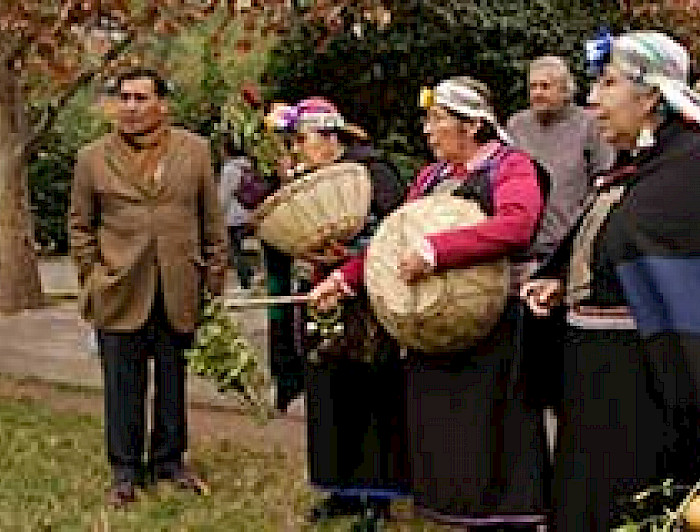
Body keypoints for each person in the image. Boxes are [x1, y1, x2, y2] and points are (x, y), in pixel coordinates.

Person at [312, 77, 548, 528]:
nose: (427, 129)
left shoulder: (511, 167)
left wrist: (438, 251)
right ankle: (452, 510)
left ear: (473, 125)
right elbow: (391, 241)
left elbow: (517, 225)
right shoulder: (430, 177)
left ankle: (505, 518)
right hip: (433, 329)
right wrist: (344, 279)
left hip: (491, 326)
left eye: (437, 118)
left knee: (491, 426)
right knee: (443, 427)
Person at [522, 30, 700, 530]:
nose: (593, 99)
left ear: (650, 96)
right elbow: (609, 245)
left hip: (645, 385)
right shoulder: (633, 169)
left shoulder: (688, 169)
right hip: (593, 372)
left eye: (608, 83)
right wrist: (561, 281)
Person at [69, 68, 227, 508]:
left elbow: (211, 220)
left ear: (164, 104)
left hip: (179, 288)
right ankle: (124, 471)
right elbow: (80, 226)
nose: (131, 107)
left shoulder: (194, 151)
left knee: (173, 381)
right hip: (119, 290)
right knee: (123, 384)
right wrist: (94, 275)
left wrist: (212, 279)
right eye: (124, 98)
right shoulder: (92, 158)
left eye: (141, 98)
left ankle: (170, 462)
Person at [270, 97, 407, 523]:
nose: (297, 149)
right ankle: (338, 487)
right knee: (328, 390)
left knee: (371, 392)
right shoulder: (303, 180)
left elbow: (395, 232)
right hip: (319, 295)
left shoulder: (374, 173)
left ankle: (377, 495)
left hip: (367, 299)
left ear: (330, 136)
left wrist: (349, 261)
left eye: (302, 139)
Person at [508, 55, 614, 262]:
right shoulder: (516, 126)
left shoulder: (590, 125)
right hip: (522, 248)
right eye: (533, 87)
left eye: (545, 86)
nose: (538, 93)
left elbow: (604, 180)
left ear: (565, 91)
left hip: (570, 247)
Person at [219, 140, 254, 289]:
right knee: (238, 247)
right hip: (246, 212)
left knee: (234, 250)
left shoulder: (229, 169)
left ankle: (246, 279)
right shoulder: (246, 166)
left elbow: (224, 195)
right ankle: (249, 273)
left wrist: (217, 215)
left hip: (232, 216)